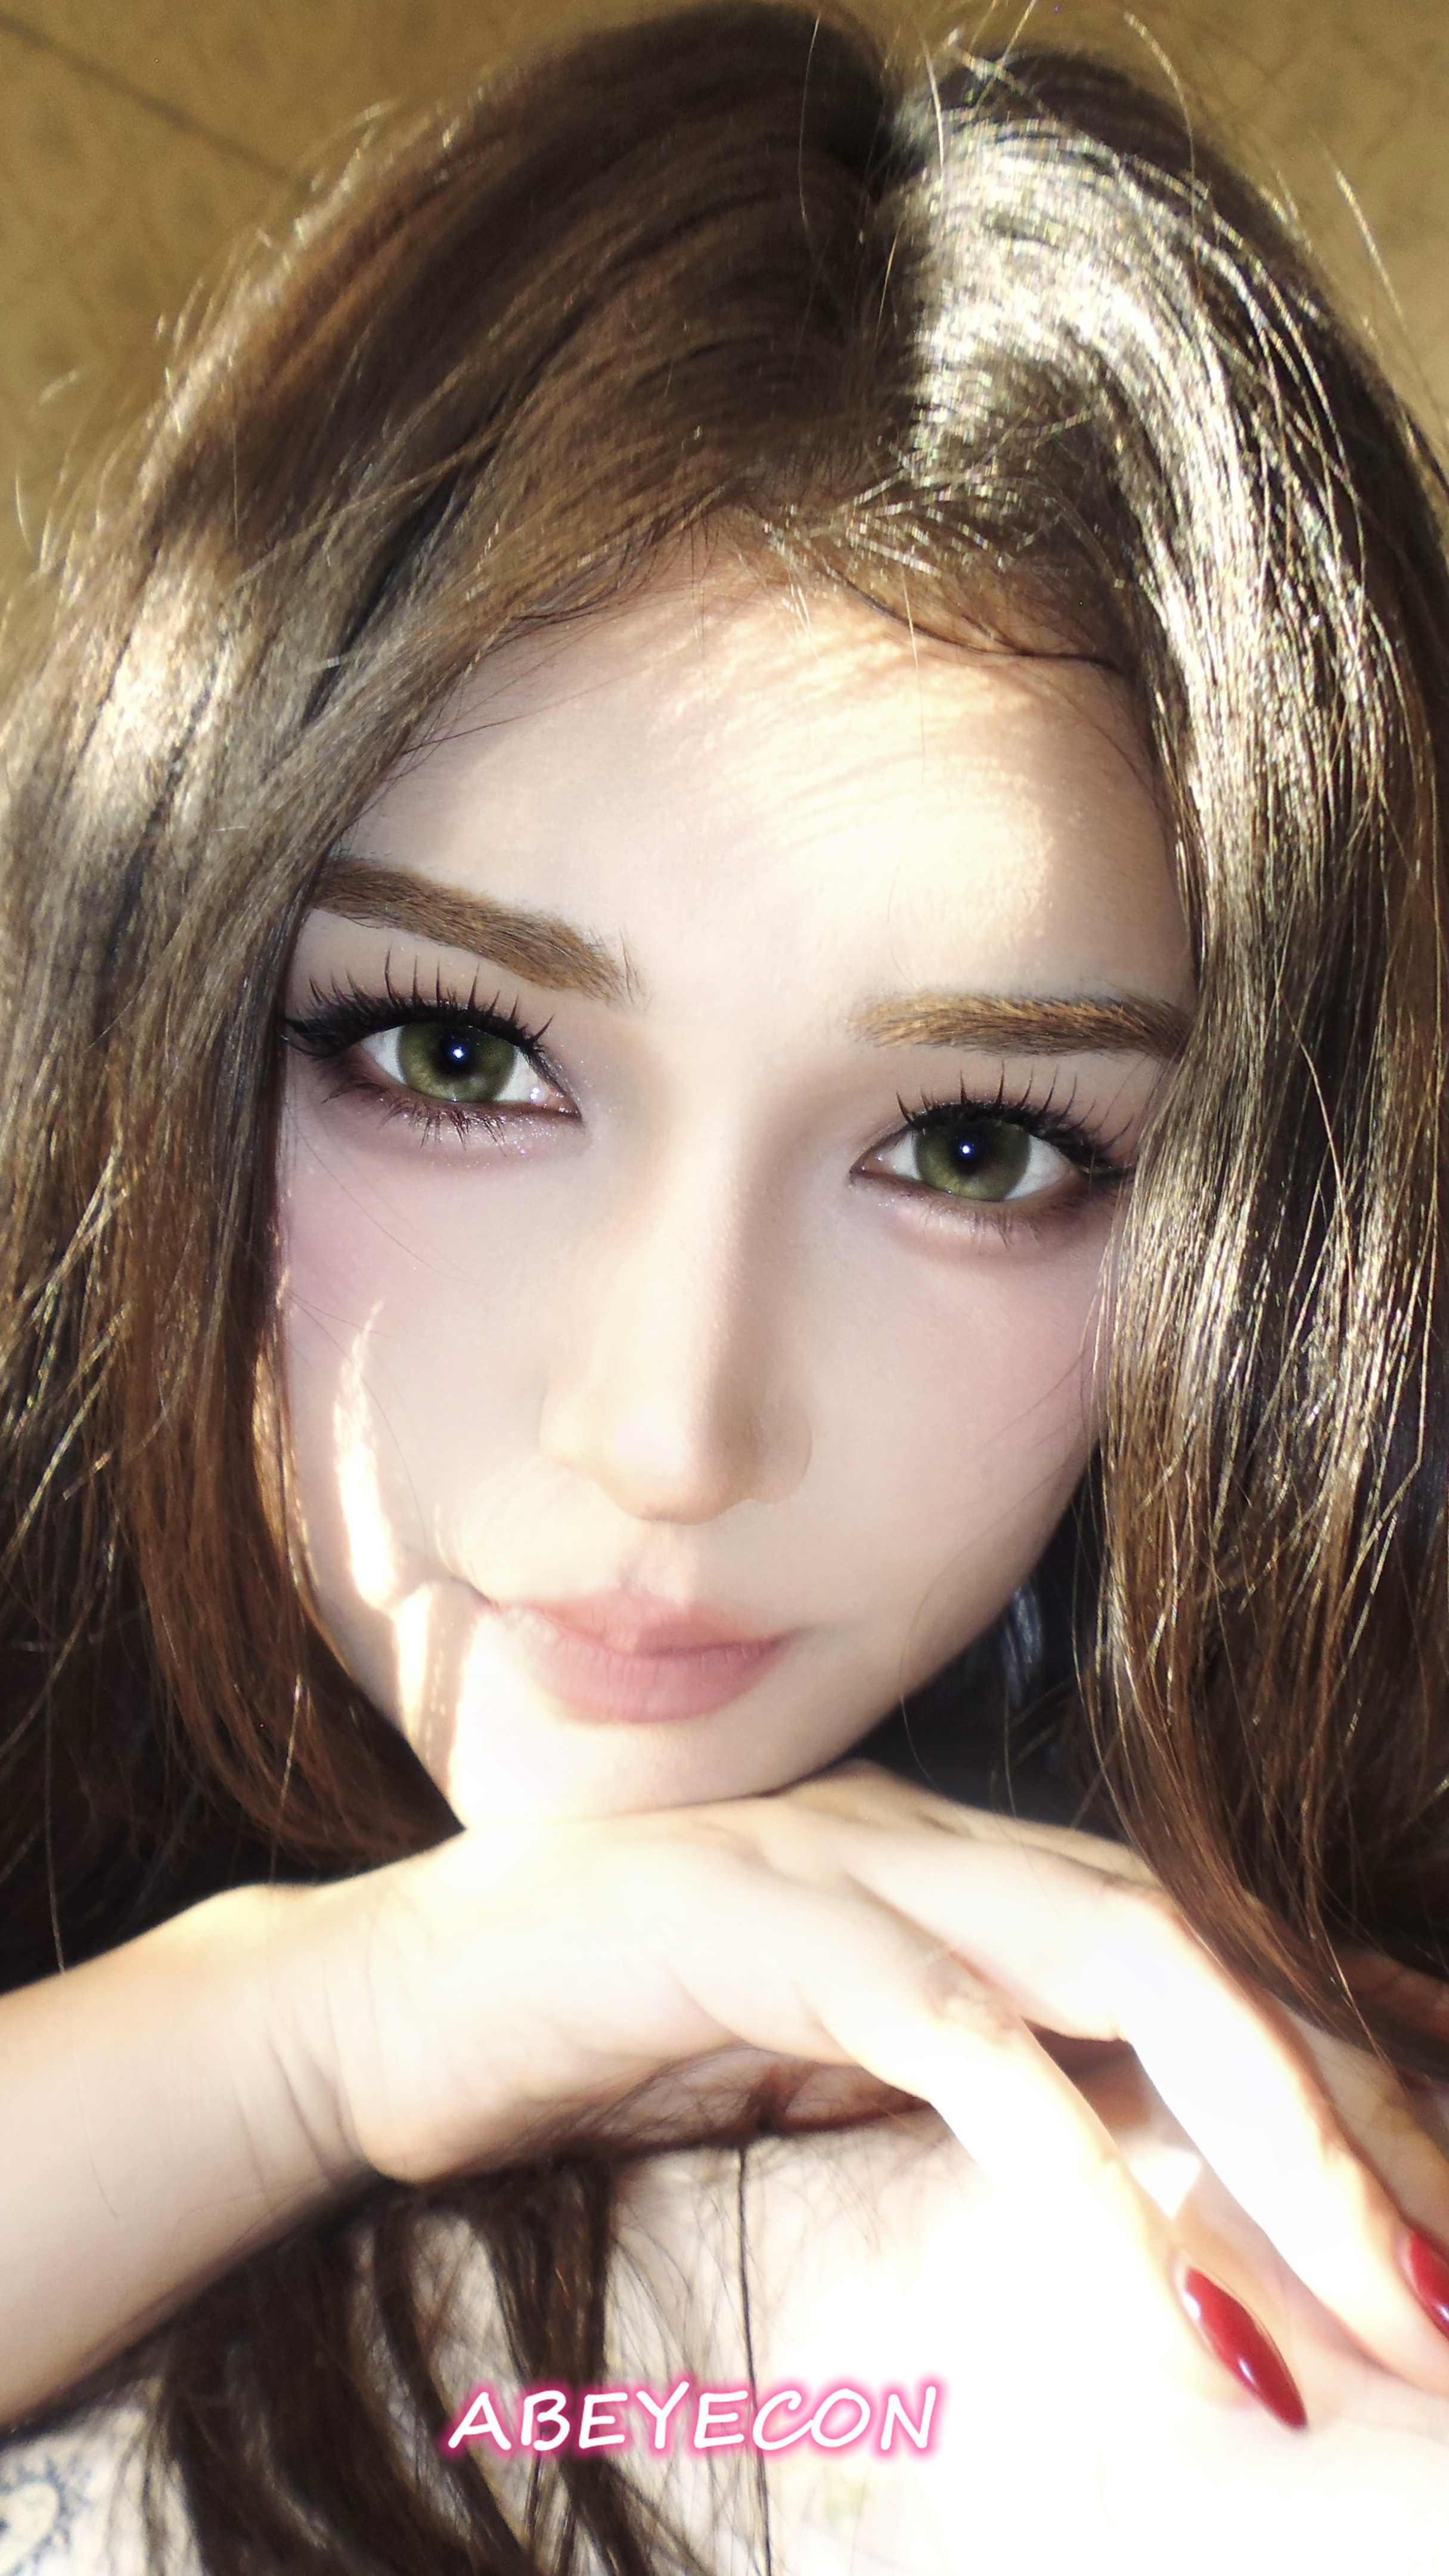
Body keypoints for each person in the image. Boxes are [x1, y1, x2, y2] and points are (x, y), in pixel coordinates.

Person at [5, 5, 1449, 2568]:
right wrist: (317, 2032)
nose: (669, 1431)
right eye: (454, 1053)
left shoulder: (1194, 2114)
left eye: (976, 1146)